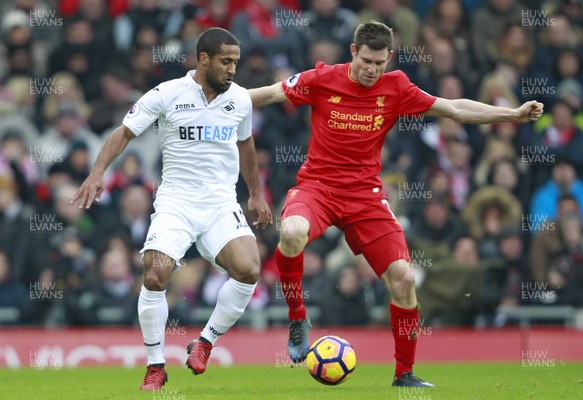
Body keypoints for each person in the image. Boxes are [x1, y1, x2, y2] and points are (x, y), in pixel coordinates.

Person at [248, 21, 543, 388]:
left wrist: (511, 114)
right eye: (367, 61)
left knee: (404, 278)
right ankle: (297, 318)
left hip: (365, 196)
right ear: (353, 52)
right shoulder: (321, 78)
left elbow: (453, 108)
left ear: (389, 58)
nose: (372, 70)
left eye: (379, 63)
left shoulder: (397, 86)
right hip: (318, 188)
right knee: (291, 231)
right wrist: (218, 100)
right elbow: (269, 94)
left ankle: (404, 374)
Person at [70, 27, 272, 391]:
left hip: (220, 202)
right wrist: (98, 172)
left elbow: (246, 146)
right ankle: (155, 365)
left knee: (248, 269)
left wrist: (255, 194)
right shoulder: (167, 93)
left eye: (236, 63)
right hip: (176, 202)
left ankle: (205, 342)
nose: (232, 70)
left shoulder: (239, 99)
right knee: (154, 275)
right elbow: (124, 132)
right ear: (204, 59)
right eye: (226, 62)